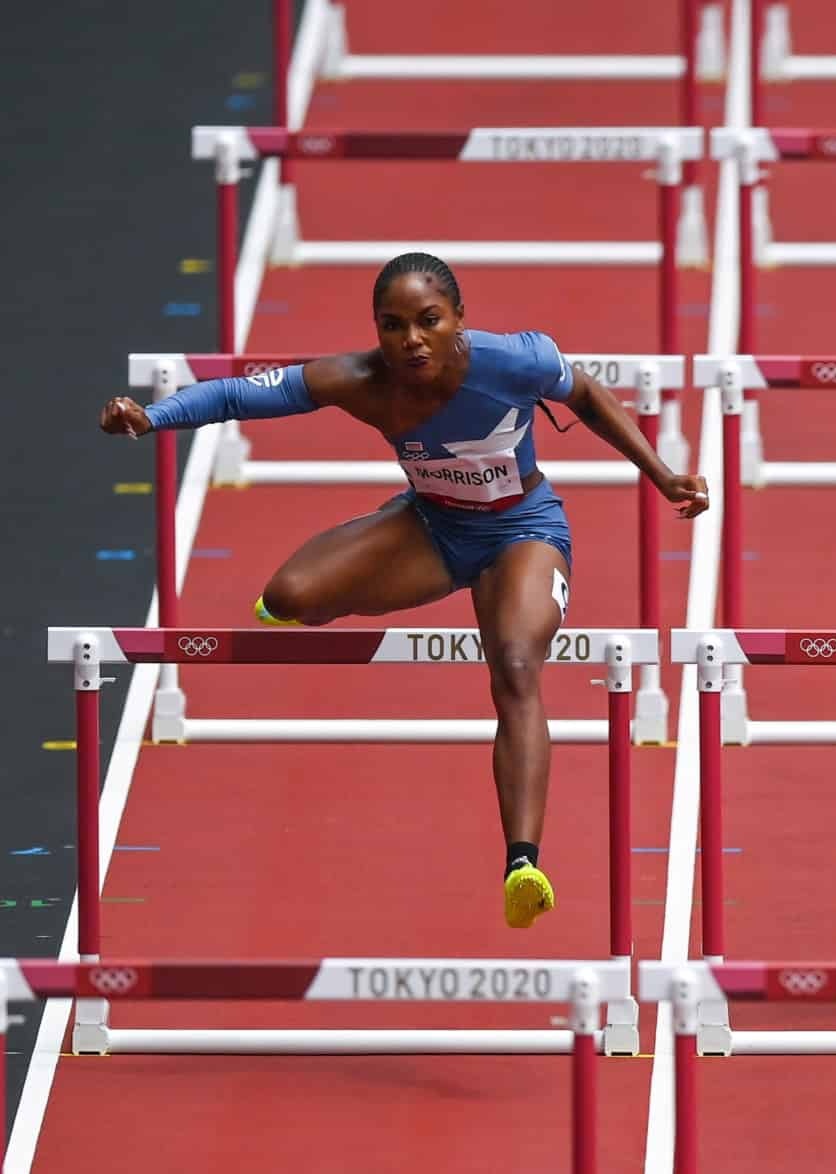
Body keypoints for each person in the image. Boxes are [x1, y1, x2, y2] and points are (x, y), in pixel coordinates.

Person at [99, 252, 710, 929]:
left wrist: (662, 473)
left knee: (513, 667)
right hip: (434, 528)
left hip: (523, 535)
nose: (411, 341)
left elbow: (588, 395)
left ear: (459, 321)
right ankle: (383, 537)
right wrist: (155, 417)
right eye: (393, 326)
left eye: (427, 322)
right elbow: (241, 393)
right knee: (292, 596)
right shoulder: (360, 379)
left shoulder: (516, 360)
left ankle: (522, 864)